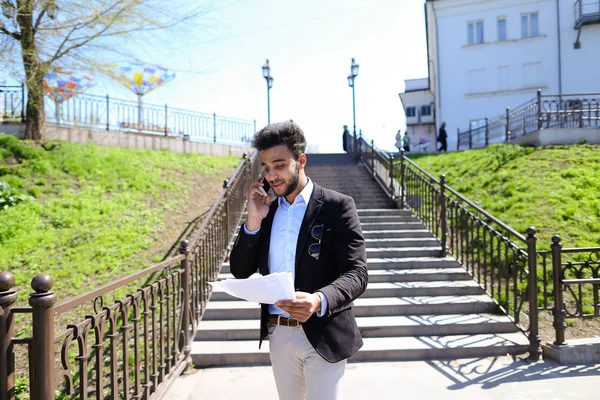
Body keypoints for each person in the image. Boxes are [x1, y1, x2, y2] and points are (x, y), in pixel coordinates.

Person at [230, 121, 368, 400]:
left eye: (279, 165)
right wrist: (254, 220)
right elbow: (240, 271)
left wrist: (318, 300)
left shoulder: (337, 206)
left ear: (301, 161)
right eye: (266, 168)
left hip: (325, 331)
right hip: (278, 334)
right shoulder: (265, 211)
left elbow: (357, 273)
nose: (272, 175)